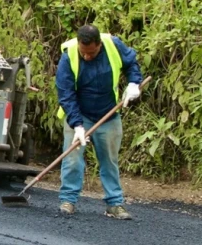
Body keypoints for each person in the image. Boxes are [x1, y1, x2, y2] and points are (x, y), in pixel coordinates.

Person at [55, 24, 143, 219]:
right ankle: (68, 200)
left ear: (99, 45)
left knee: (109, 161)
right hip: (78, 114)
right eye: (83, 53)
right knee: (72, 159)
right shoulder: (68, 54)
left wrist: (134, 83)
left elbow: (131, 64)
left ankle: (114, 204)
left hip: (108, 114)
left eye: (91, 53)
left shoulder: (113, 45)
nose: (86, 56)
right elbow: (66, 93)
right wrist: (77, 125)